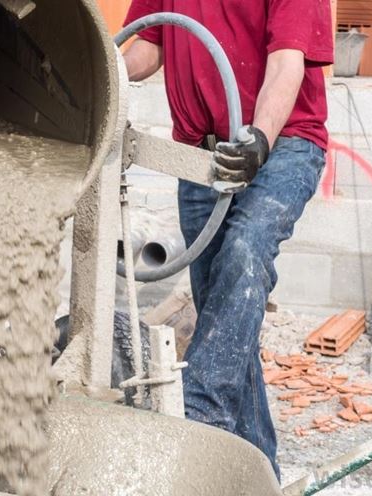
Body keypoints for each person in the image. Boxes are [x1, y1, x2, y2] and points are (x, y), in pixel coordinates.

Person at [122, 0, 333, 478]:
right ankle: (261, 477)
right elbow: (149, 47)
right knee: (226, 319)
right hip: (202, 157)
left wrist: (258, 137)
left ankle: (199, 412)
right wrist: (98, 66)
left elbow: (286, 62)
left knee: (244, 253)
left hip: (282, 144)